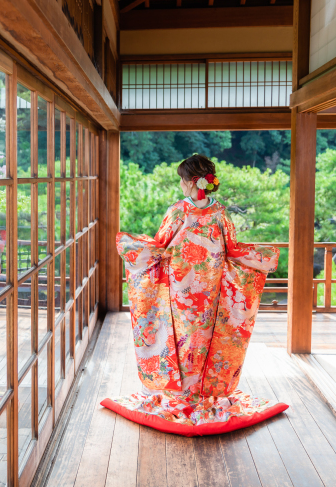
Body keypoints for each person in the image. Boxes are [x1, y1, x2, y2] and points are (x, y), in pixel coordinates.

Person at [101, 154, 288, 436]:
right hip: (210, 287)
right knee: (204, 335)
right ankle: (201, 393)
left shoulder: (179, 211)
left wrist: (132, 248)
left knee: (183, 336)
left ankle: (184, 394)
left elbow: (161, 244)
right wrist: (260, 259)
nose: (180, 184)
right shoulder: (220, 213)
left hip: (181, 288)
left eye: (181, 179)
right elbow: (234, 250)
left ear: (191, 182)